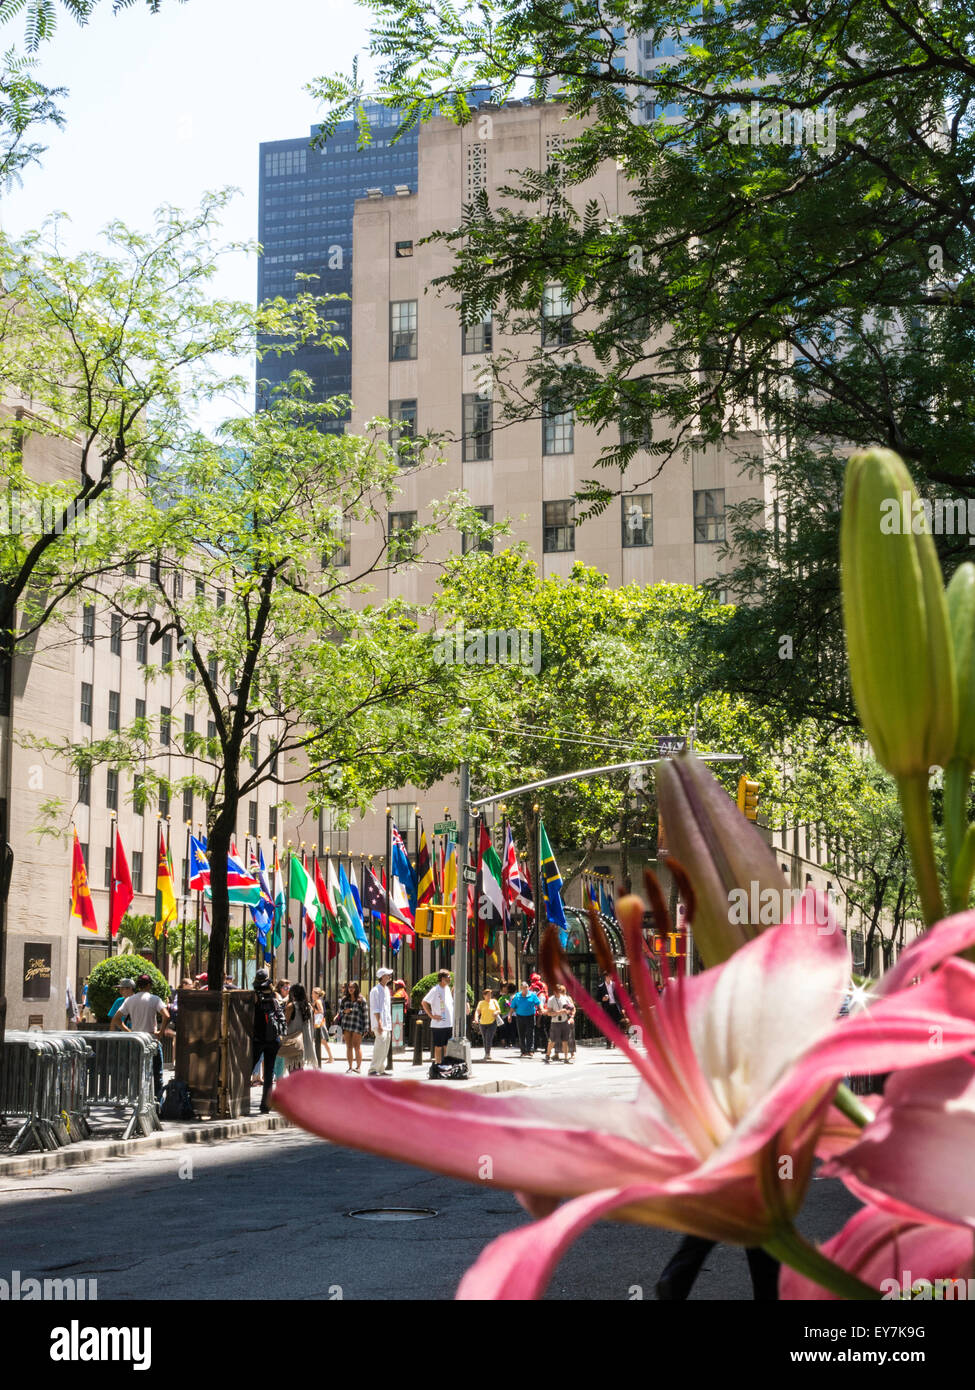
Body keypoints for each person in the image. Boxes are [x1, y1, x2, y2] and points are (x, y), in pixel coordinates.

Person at [110, 973, 169, 1100]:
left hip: (137, 1042)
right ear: (149, 985)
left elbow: (116, 1019)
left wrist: (129, 1032)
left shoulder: (130, 1000)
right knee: (156, 1074)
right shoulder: (155, 999)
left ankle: (138, 1101)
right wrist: (161, 1031)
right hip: (152, 1040)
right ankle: (158, 1103)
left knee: (137, 1073)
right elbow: (167, 1015)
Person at [251, 969, 285, 1113]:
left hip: (258, 1038)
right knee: (269, 1073)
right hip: (273, 1039)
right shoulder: (275, 995)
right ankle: (266, 1105)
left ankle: (239, 1100)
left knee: (248, 1068)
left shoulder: (254, 997)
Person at [276, 982, 313, 1077]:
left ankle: (298, 1089)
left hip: (292, 1041)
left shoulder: (291, 1006)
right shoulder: (308, 1006)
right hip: (303, 1041)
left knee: (292, 1069)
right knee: (299, 1068)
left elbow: (285, 1023)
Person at [421, 969, 455, 1065]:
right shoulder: (435, 990)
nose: (450, 979)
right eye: (448, 977)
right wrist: (431, 1015)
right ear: (443, 979)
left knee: (447, 1045)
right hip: (438, 1025)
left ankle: (446, 1064)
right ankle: (438, 1064)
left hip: (449, 1023)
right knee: (438, 1046)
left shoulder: (447, 989)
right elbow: (424, 1002)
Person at [368, 967, 394, 1075]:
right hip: (380, 1023)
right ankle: (373, 1069)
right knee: (379, 1046)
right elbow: (375, 1008)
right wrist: (379, 1023)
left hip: (387, 1023)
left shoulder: (386, 989)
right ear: (382, 977)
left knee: (385, 1047)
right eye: (387, 974)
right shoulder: (375, 990)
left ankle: (380, 1068)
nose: (389, 976)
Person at [338, 981, 367, 1072]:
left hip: (357, 1025)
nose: (351, 989)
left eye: (353, 987)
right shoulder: (344, 999)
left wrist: (366, 1027)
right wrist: (344, 1011)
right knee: (349, 1046)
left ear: (356, 988)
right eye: (349, 987)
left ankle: (358, 1067)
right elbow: (340, 1011)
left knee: (357, 1046)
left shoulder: (361, 999)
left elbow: (365, 1014)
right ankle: (350, 1067)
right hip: (347, 1025)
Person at [545, 981, 575, 1064]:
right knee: (553, 1040)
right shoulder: (551, 999)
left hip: (564, 1021)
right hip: (555, 1022)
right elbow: (549, 1013)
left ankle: (566, 1058)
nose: (558, 992)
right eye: (556, 991)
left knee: (565, 1040)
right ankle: (547, 1055)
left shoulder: (565, 998)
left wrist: (568, 1012)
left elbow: (571, 1008)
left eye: (559, 990)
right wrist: (559, 1012)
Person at [509, 981, 541, 1057]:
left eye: (526, 987)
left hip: (530, 1016)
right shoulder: (517, 996)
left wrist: (541, 1010)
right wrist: (509, 1015)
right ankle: (523, 1051)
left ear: (528, 988)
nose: (525, 989)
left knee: (530, 1033)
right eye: (523, 988)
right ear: (521, 988)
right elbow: (512, 1007)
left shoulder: (533, 995)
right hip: (520, 1017)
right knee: (521, 1034)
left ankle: (530, 1050)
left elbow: (538, 1004)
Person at [595, 970, 623, 1047]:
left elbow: (620, 997)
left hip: (615, 1007)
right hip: (607, 1008)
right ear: (605, 977)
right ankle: (608, 1043)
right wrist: (602, 999)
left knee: (616, 1025)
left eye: (610, 976)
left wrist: (622, 1008)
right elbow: (597, 998)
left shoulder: (615, 985)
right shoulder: (601, 987)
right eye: (607, 976)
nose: (609, 978)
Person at [473, 987, 501, 1060]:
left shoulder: (494, 1001)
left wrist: (496, 1012)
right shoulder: (481, 1003)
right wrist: (476, 1018)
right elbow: (477, 1011)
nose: (489, 996)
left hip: (492, 1023)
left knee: (488, 1038)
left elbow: (499, 1010)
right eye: (487, 995)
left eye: (490, 994)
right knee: (484, 1039)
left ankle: (487, 1053)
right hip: (482, 1023)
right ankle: (486, 1053)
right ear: (484, 996)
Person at [311, 987, 334, 1065]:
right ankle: (330, 1058)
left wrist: (314, 1010)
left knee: (322, 1042)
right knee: (322, 1042)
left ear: (316, 994)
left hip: (319, 1024)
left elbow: (321, 1012)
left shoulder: (317, 1001)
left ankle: (330, 1058)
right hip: (320, 1023)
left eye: (313, 993)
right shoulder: (319, 1000)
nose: (311, 995)